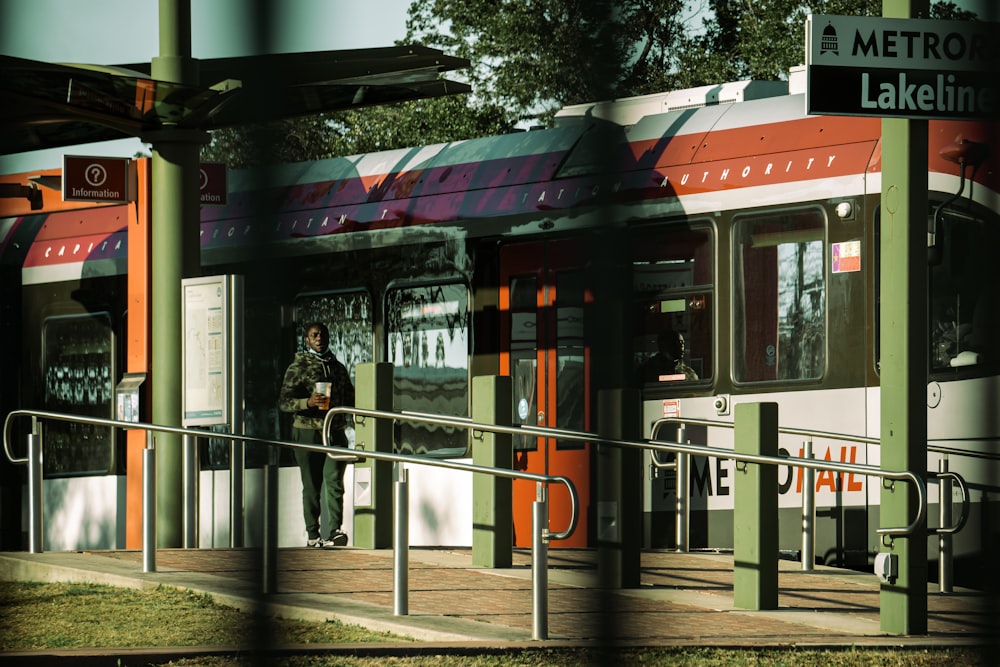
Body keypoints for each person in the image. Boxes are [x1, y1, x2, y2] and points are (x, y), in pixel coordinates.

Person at [279, 322, 355, 548]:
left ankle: (335, 531)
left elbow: (350, 397)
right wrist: (308, 402)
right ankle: (313, 535)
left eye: (323, 334)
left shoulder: (338, 367)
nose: (319, 338)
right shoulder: (298, 366)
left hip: (335, 432)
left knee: (334, 482)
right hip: (307, 432)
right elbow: (284, 402)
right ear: (307, 340)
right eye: (314, 335)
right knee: (312, 485)